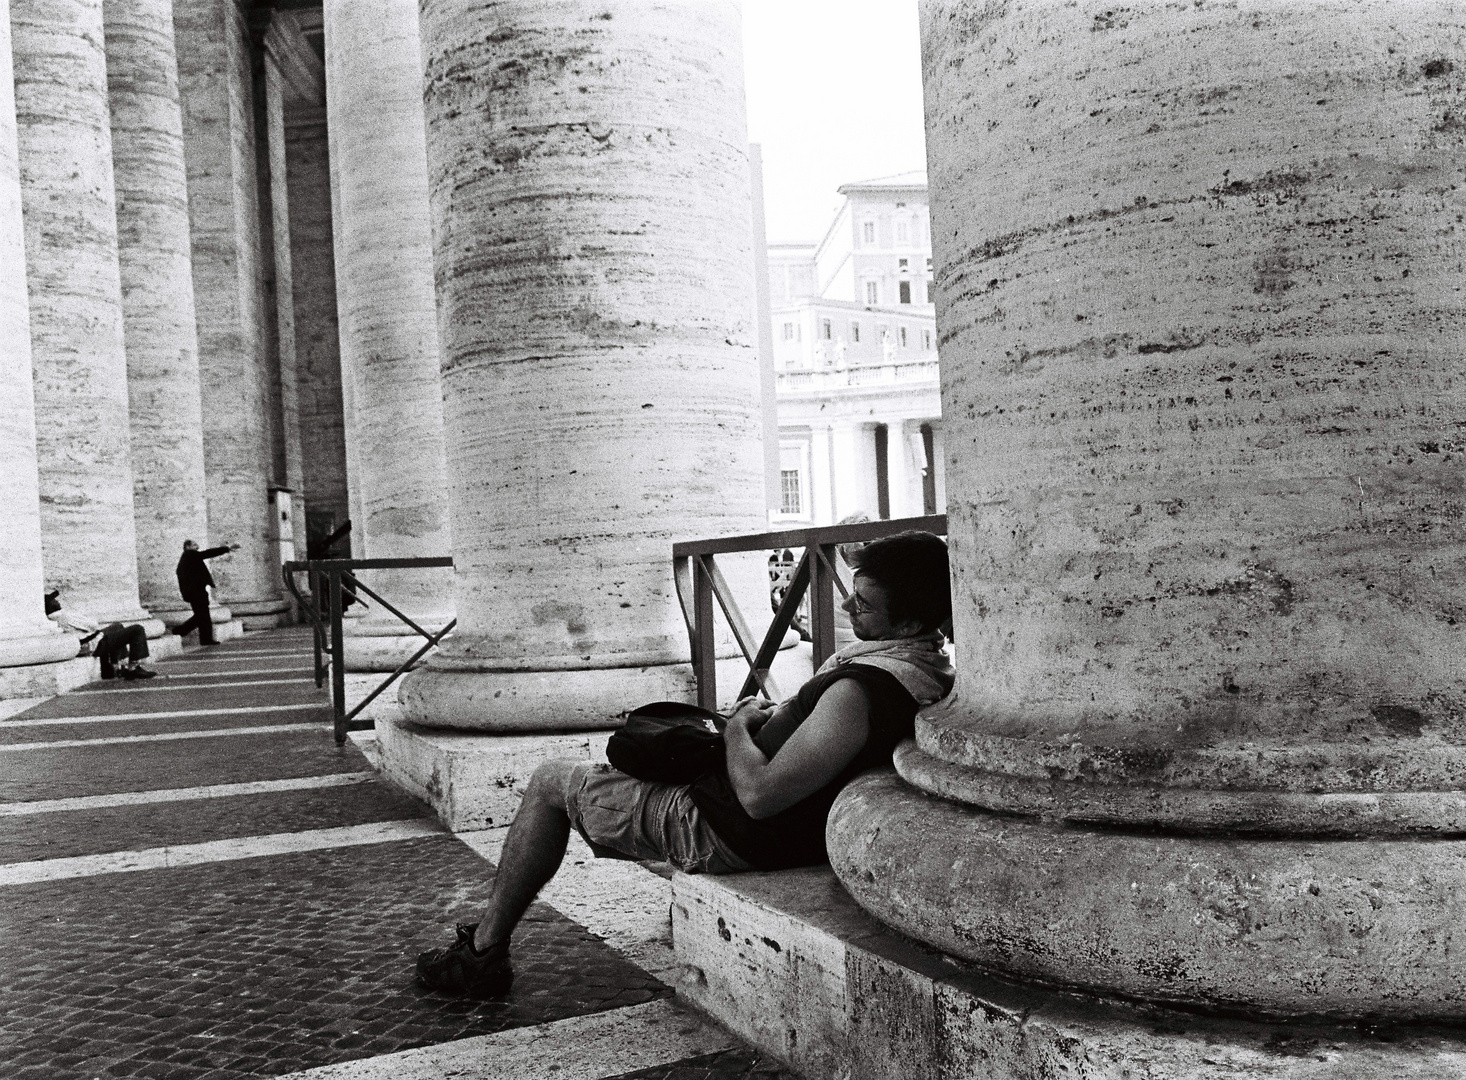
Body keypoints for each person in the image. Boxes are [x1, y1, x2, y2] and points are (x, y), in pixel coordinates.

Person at [415, 530, 955, 999]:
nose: (846, 610)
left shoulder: (859, 691)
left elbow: (760, 797)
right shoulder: (922, 669)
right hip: (756, 816)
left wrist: (741, 725)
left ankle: (483, 953)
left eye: (863, 605)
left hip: (725, 827)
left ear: (907, 623)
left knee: (549, 781)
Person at [45, 591, 157, 681]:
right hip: (95, 644)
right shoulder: (64, 616)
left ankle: (117, 665)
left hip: (90, 641)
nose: (57, 601)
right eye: (53, 600)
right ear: (51, 606)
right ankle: (133, 668)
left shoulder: (55, 617)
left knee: (117, 626)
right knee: (137, 629)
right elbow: (93, 625)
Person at [172, 539, 238, 645]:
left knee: (202, 616)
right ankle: (180, 631)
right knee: (202, 616)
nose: (197, 546)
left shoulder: (187, 558)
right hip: (196, 592)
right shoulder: (190, 555)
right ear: (187, 547)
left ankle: (204, 638)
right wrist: (226, 549)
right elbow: (208, 553)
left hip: (194, 591)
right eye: (194, 545)